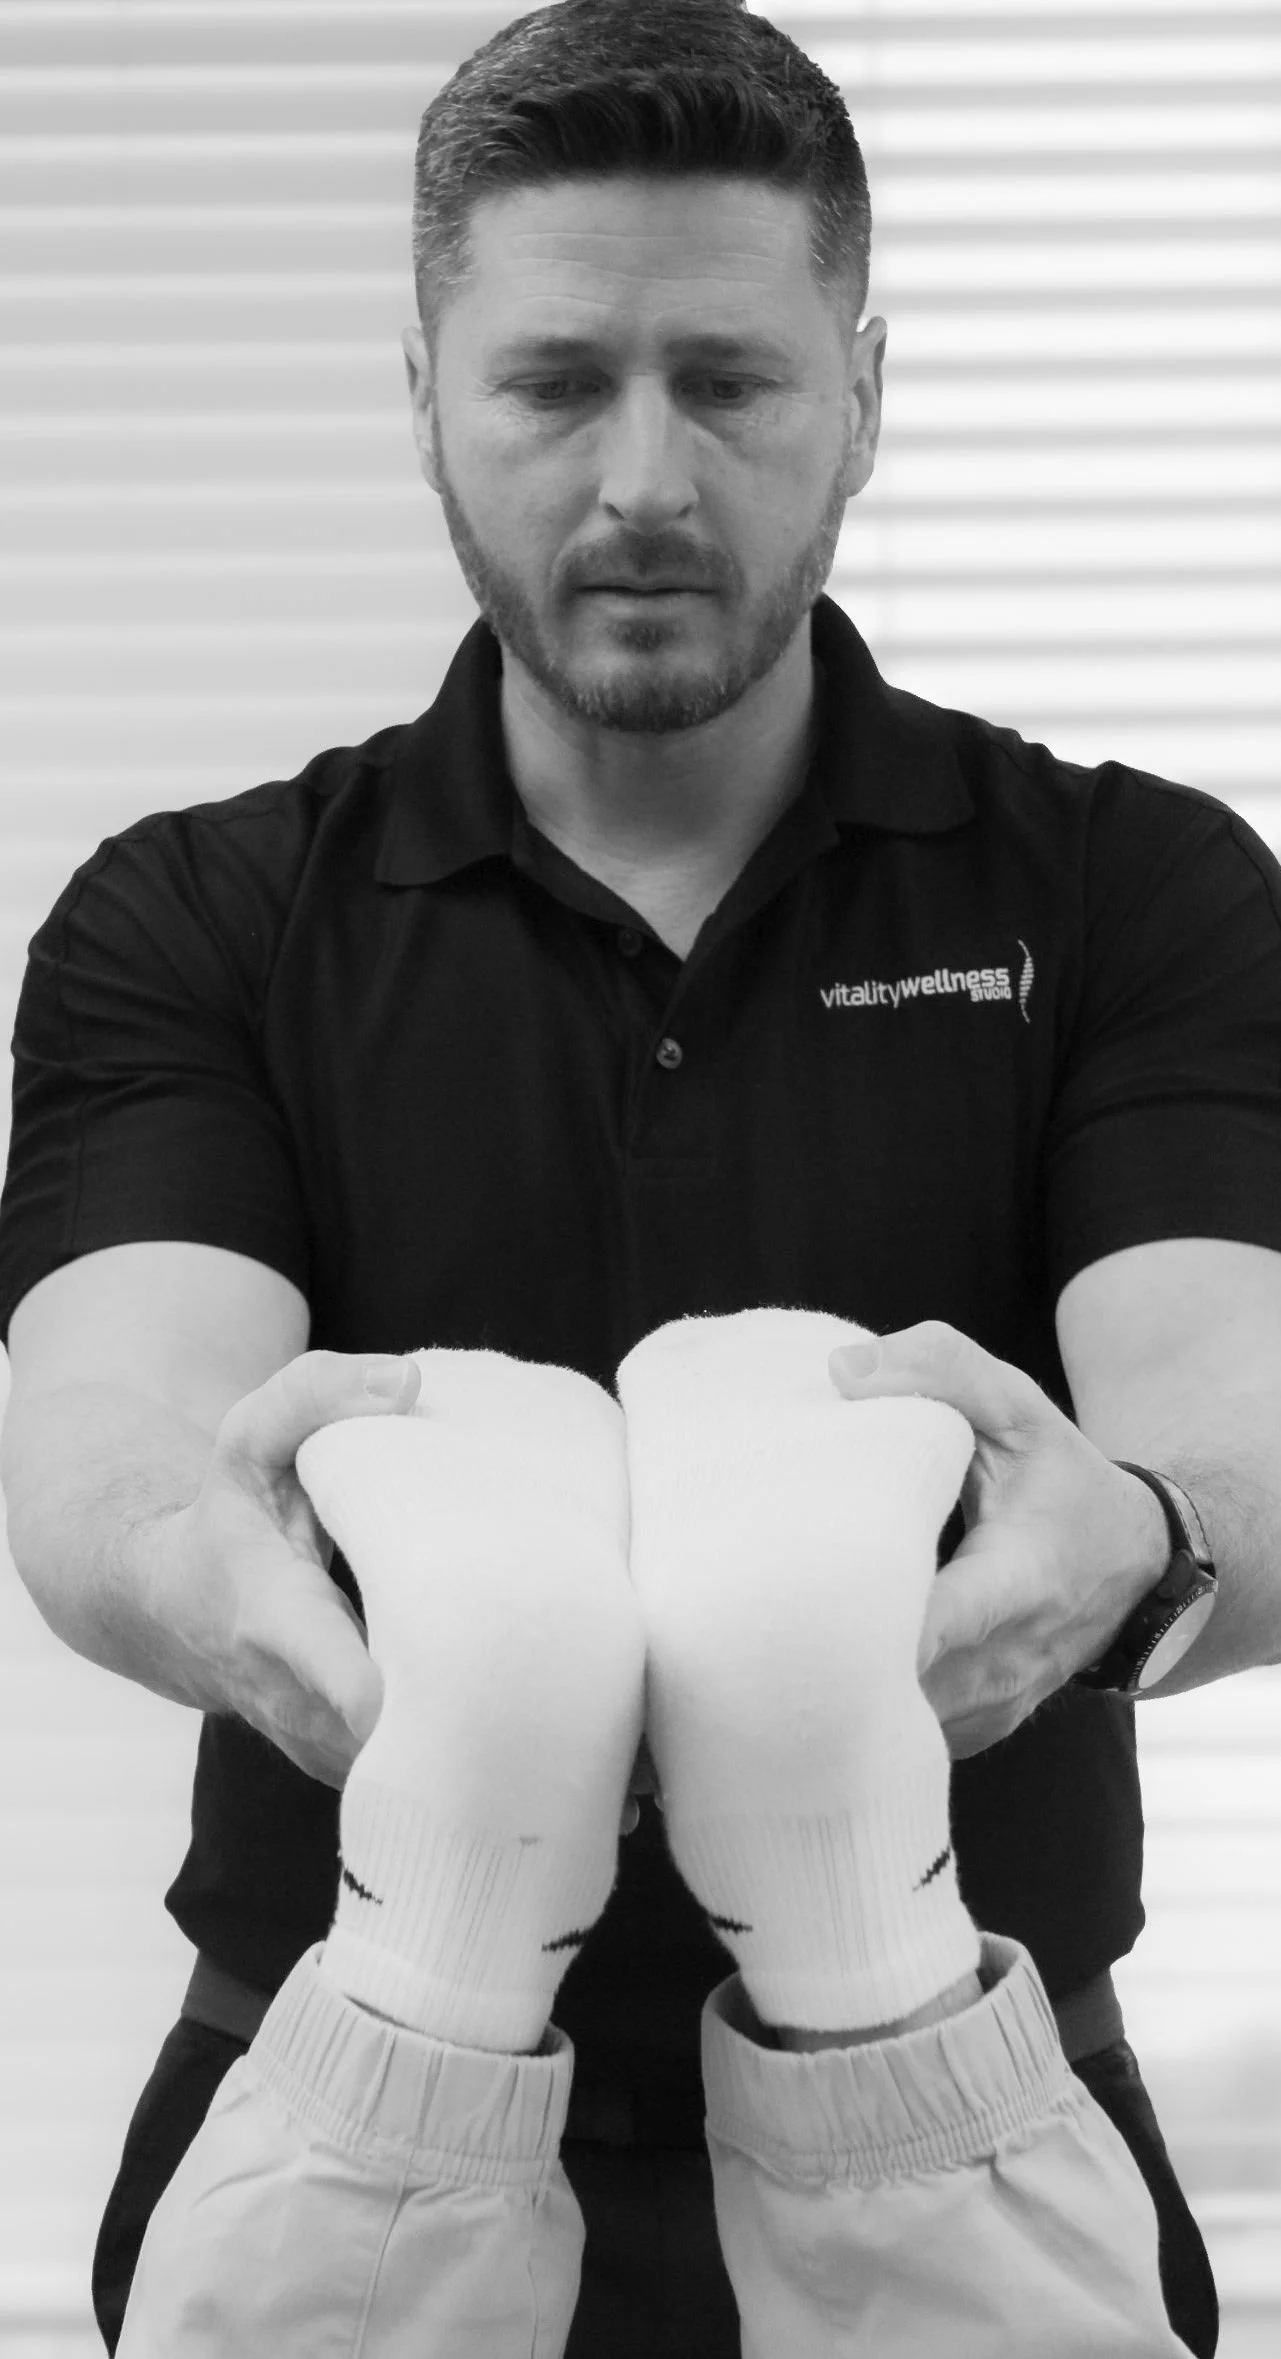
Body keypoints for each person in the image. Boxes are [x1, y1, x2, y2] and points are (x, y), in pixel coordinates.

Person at [1, 0, 1278, 2347]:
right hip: (337, 2073)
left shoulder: (1128, 891)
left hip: (976, 2070)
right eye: (557, 382)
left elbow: (1235, 1407)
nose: (646, 480)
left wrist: (1142, 1544)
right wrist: (215, 1570)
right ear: (422, 397)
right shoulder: (199, 916)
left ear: (862, 394)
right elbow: (104, 1434)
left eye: (730, 379)